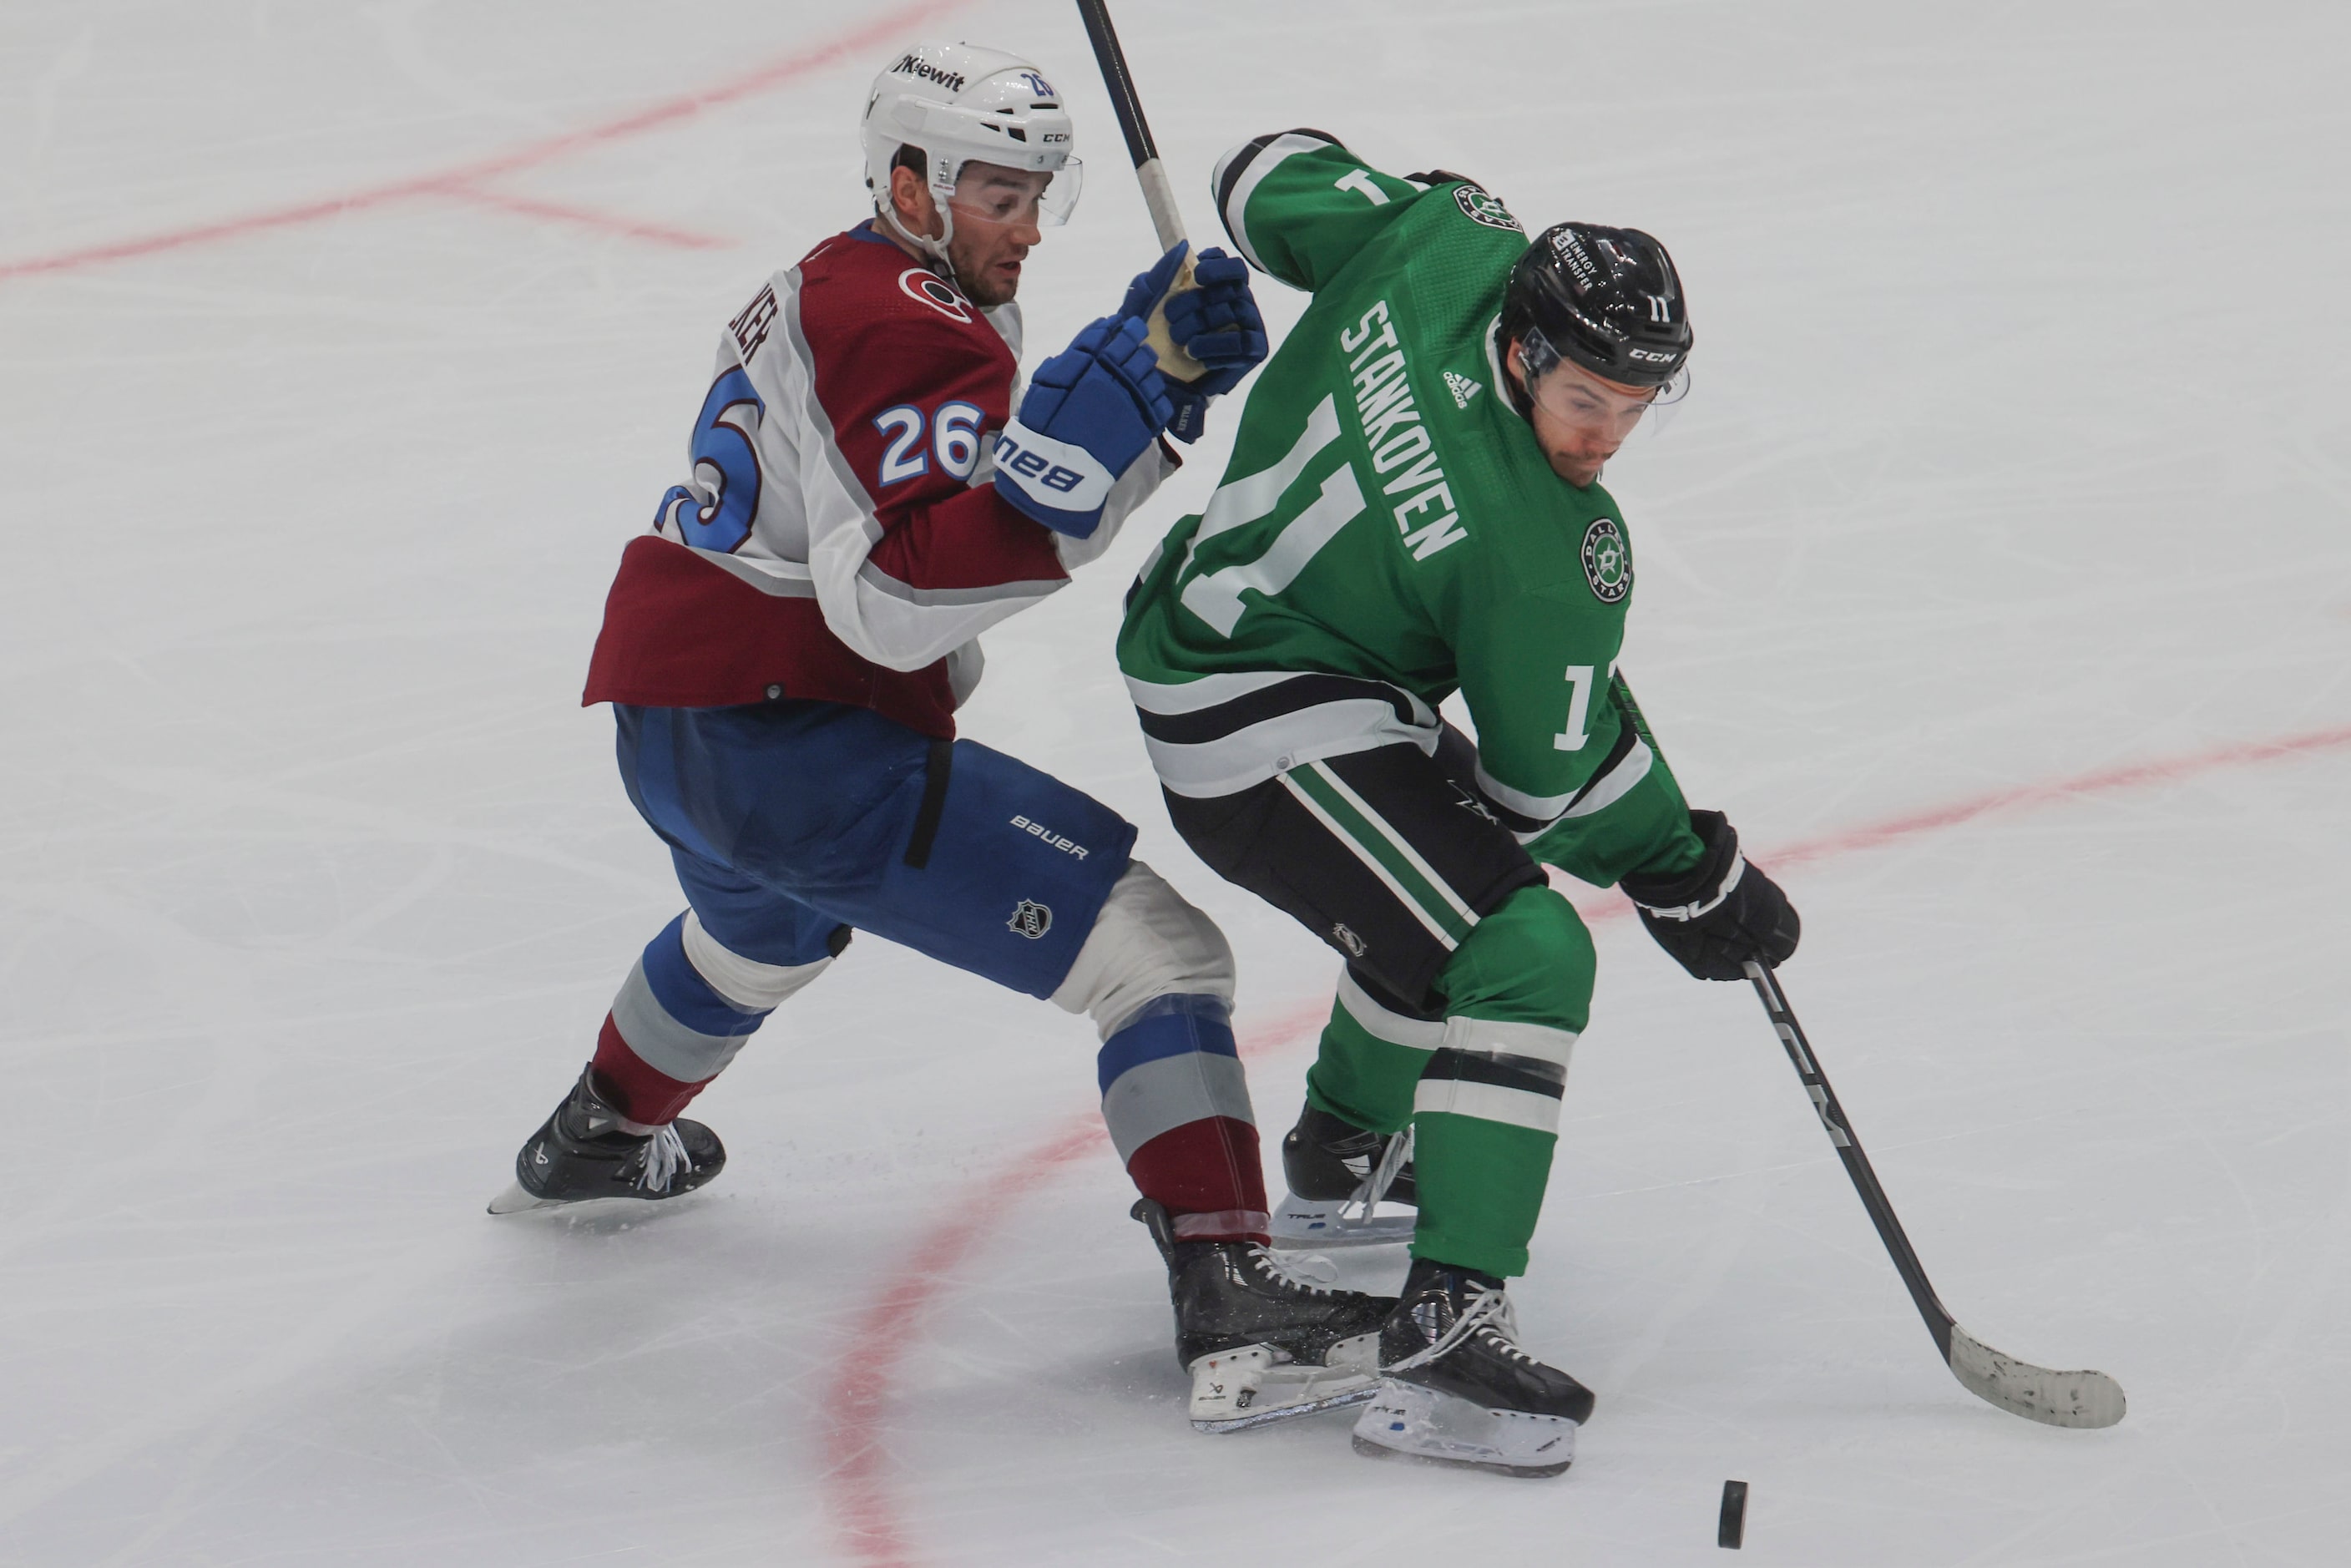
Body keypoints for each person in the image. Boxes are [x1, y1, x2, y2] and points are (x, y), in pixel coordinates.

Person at [493, 48, 1391, 1432]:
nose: (1024, 227)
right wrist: (1138, 395)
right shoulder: (918, 326)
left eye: (1040, 194)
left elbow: (933, 491)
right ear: (907, 180)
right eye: (994, 193)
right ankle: (1231, 1294)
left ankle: (596, 1134)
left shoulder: (854, 278)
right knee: (1162, 959)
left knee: (760, 937)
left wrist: (1133, 380)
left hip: (671, 723)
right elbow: (900, 602)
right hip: (794, 743)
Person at [1115, 129, 1802, 1476]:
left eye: (1634, 407)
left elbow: (1265, 172)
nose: (1605, 438)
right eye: (1587, 401)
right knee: (1524, 945)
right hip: (1250, 712)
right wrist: (1688, 870)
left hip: (1227, 622)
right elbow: (1546, 781)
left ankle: (1345, 1142)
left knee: (1453, 884)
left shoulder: (1450, 241)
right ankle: (1446, 1318)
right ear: (1530, 352)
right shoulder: (1547, 556)